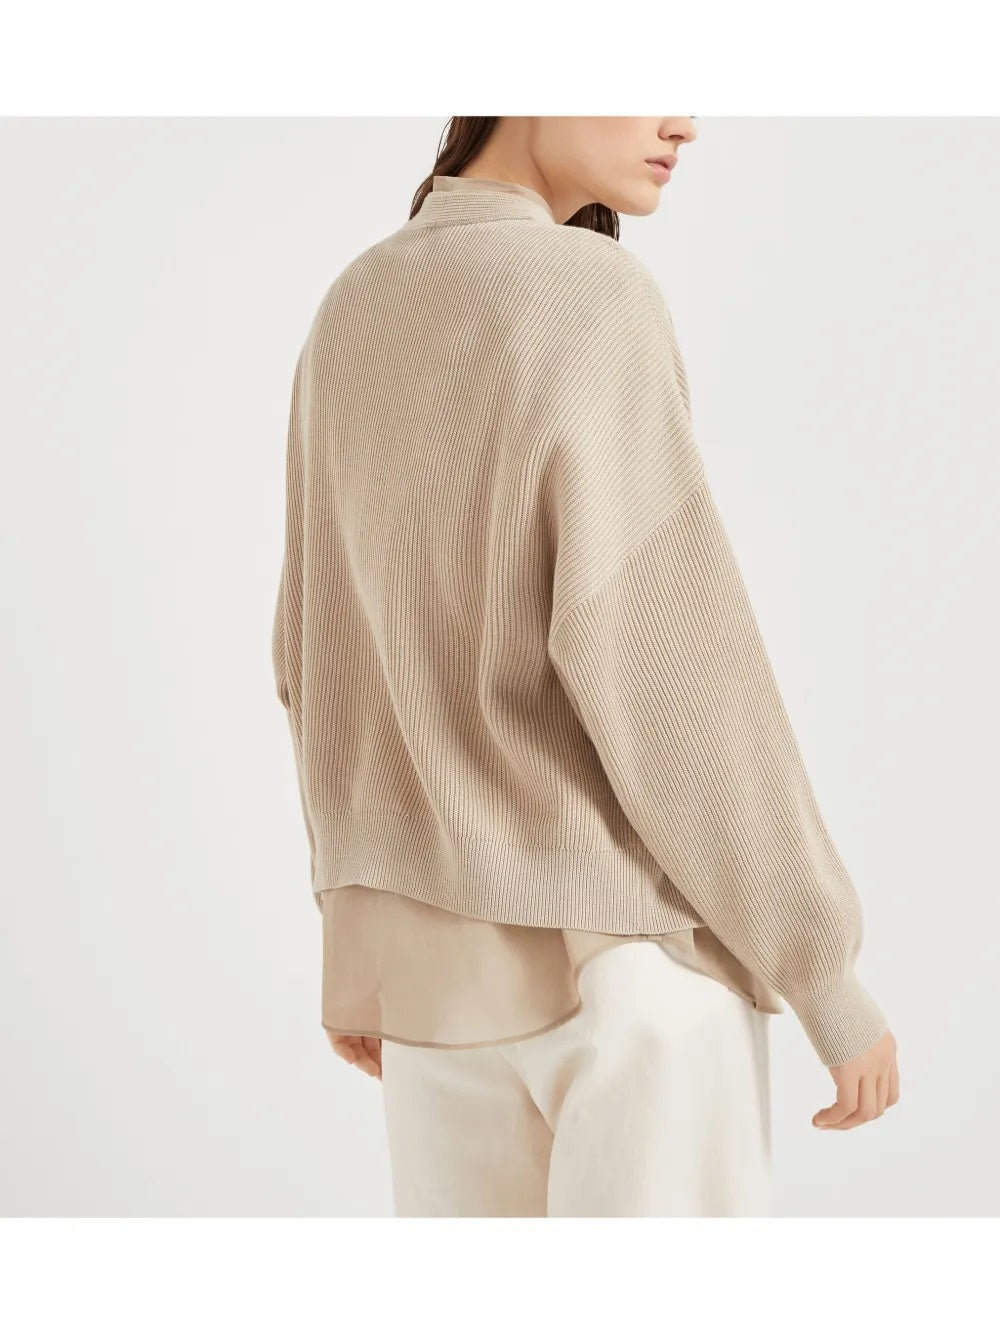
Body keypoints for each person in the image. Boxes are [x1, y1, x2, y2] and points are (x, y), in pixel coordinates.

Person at [271, 116, 900, 1217]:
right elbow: (676, 671)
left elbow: (313, 651)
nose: (682, 119)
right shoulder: (588, 292)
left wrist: (362, 924)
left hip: (434, 997)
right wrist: (821, 970)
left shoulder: (353, 304)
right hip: (627, 980)